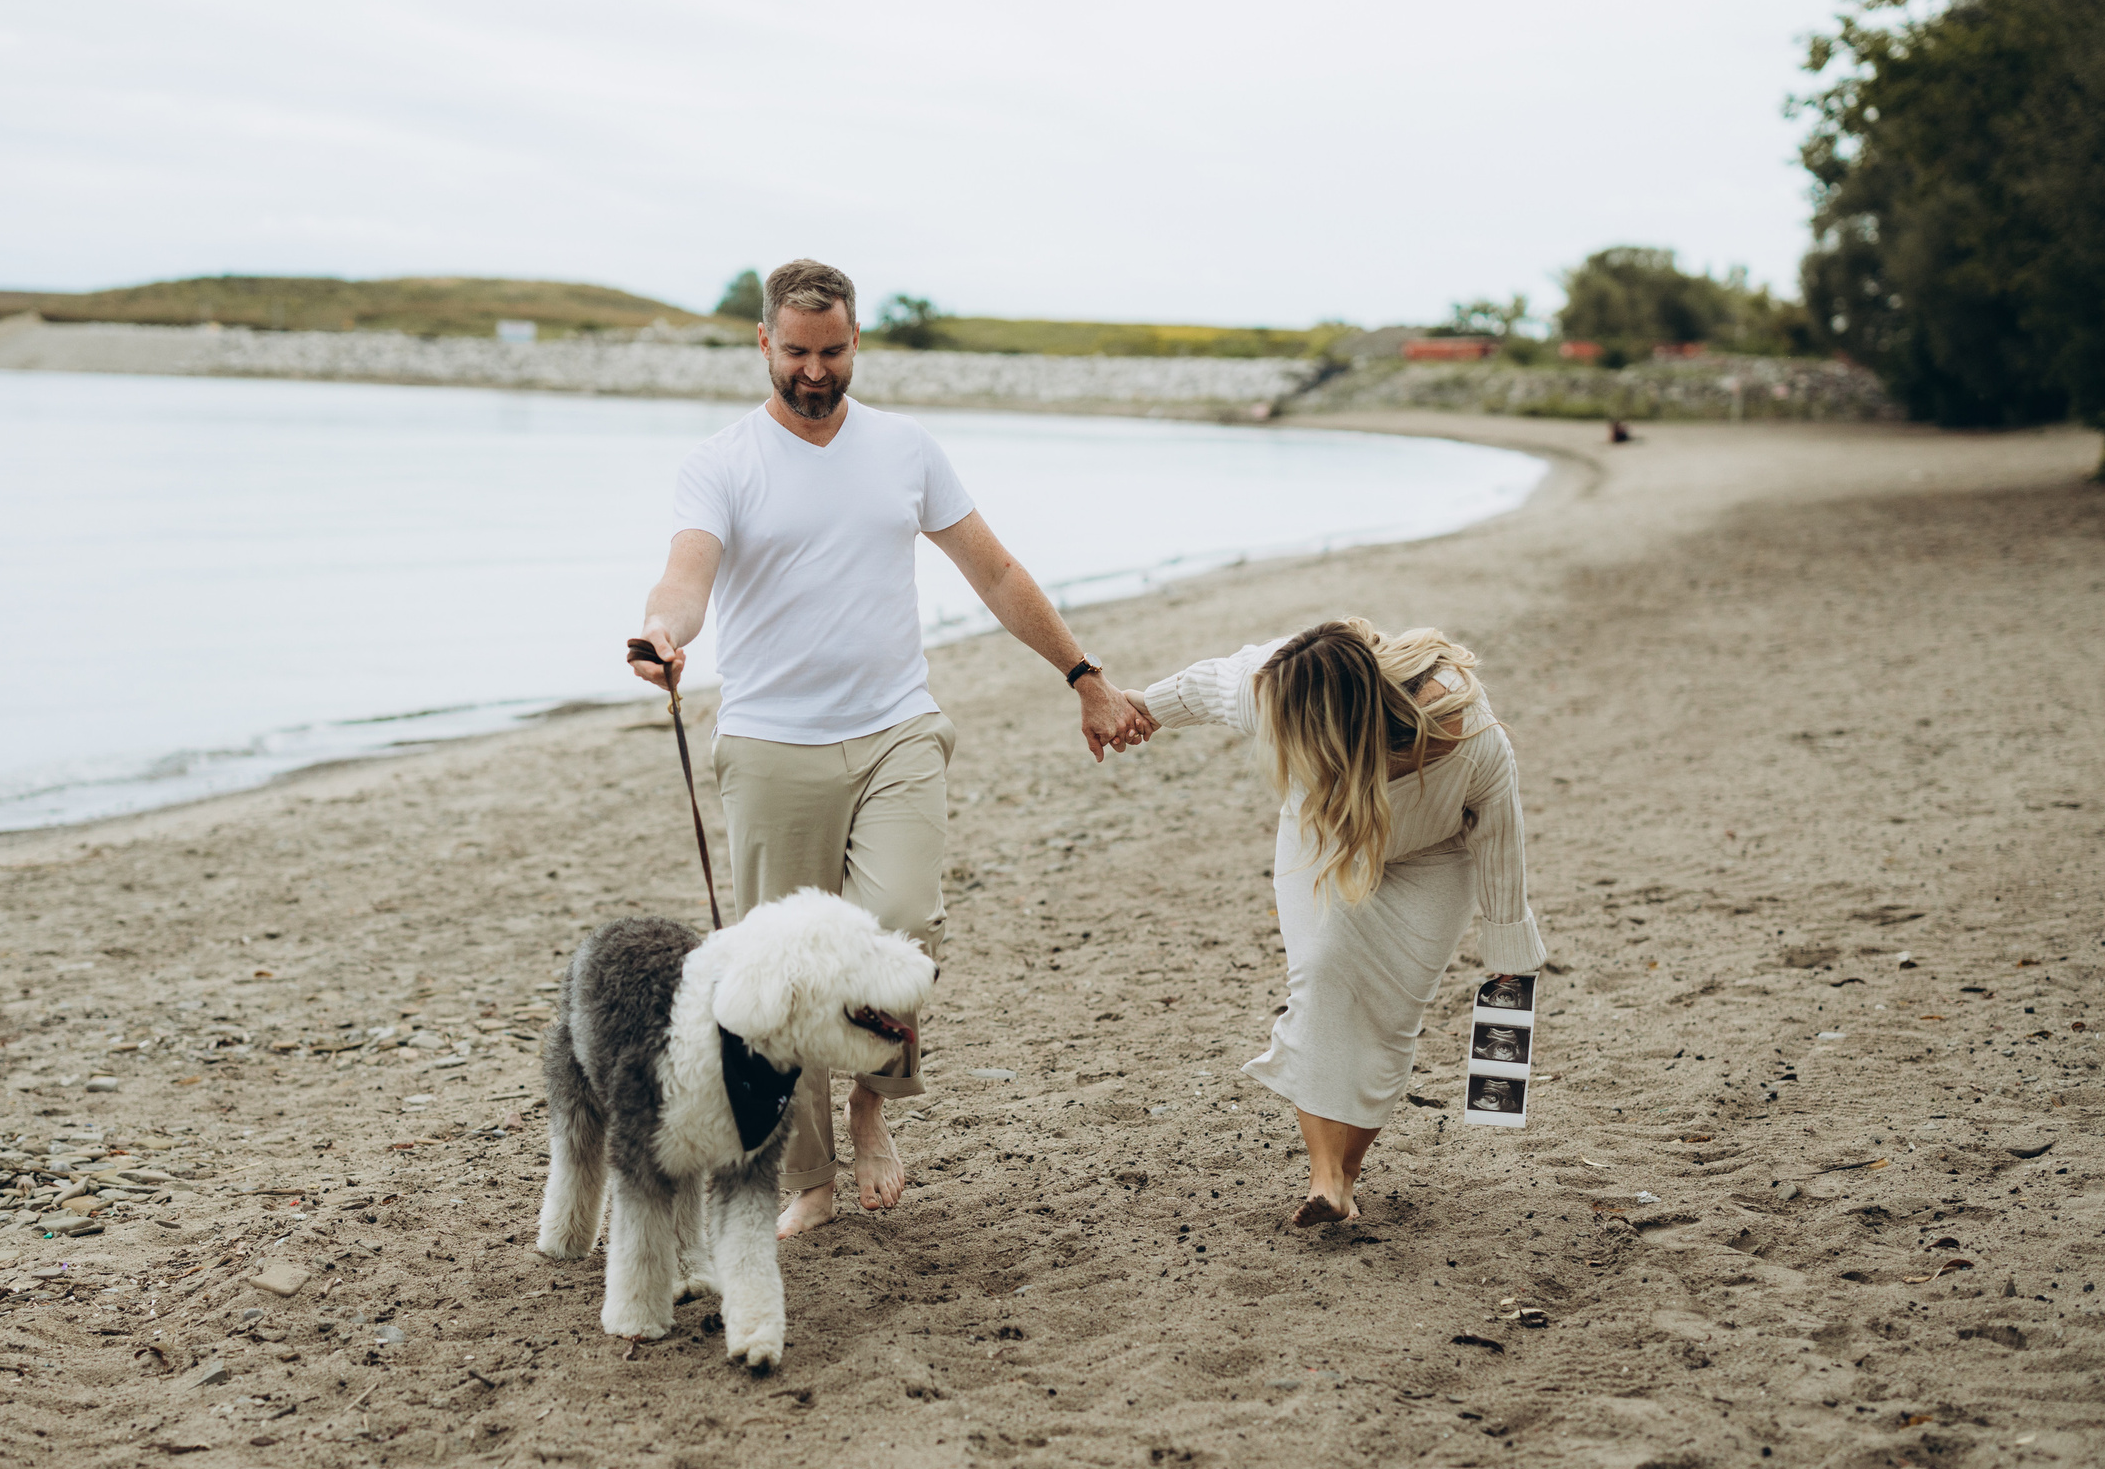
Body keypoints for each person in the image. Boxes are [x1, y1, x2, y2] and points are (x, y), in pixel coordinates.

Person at [630, 258, 1151, 1238]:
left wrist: (1084, 677)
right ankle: (810, 1177)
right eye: (796, 352)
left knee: (902, 927)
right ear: (763, 344)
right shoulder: (720, 462)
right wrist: (663, 634)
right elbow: (683, 575)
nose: (815, 372)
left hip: (896, 731)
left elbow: (994, 570)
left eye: (832, 352)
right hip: (772, 746)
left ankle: (873, 1111)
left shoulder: (906, 450)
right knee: (779, 981)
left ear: (856, 341)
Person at [1118, 617, 1546, 1227]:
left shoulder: (1468, 735)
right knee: (1320, 981)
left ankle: (1348, 1173)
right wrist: (1139, 707)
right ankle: (1325, 1181)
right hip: (1326, 839)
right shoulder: (1280, 684)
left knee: (1390, 1020)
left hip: (1431, 859)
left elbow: (1502, 850)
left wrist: (1506, 1000)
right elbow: (1212, 684)